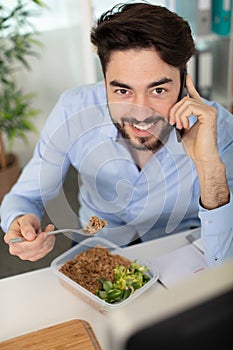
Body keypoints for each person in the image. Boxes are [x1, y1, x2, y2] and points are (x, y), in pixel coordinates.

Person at [1, 2, 233, 266]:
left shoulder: (218, 128)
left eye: (158, 90)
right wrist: (20, 223)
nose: (141, 112)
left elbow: (225, 262)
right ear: (105, 81)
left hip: (186, 246)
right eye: (123, 91)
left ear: (184, 83)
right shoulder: (73, 110)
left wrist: (209, 166)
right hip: (98, 240)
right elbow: (24, 197)